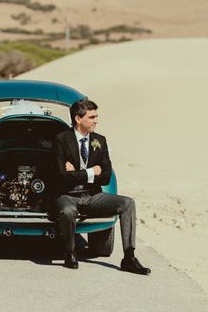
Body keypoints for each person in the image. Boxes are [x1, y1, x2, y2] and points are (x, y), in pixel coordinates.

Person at [49, 98, 151, 275]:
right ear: (78, 119)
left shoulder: (100, 141)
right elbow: (61, 177)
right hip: (67, 195)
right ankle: (69, 252)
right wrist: (90, 172)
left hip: (93, 196)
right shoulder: (61, 140)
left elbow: (105, 176)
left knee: (128, 203)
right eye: (92, 117)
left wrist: (78, 173)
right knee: (67, 212)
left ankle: (129, 257)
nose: (96, 120)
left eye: (96, 116)